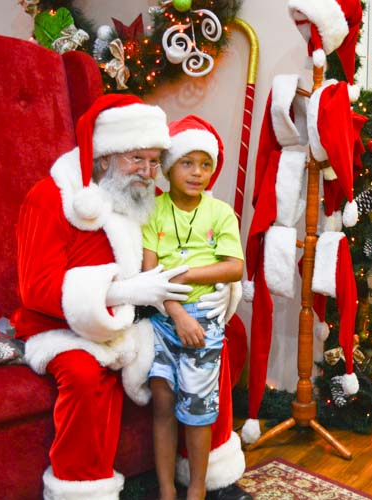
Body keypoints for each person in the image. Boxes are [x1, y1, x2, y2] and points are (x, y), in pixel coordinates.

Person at [12, 95, 240, 500]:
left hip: (140, 320)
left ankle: (212, 476)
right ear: (105, 158)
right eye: (138, 159)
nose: (149, 172)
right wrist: (121, 292)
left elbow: (186, 257)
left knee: (212, 335)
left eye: (155, 161)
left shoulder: (143, 198)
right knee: (85, 373)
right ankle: (82, 490)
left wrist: (227, 288)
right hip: (67, 329)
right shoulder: (51, 198)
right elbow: (37, 289)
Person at [142, 115, 246, 500]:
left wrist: (187, 276)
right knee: (163, 405)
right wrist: (176, 311)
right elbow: (149, 273)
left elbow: (234, 266)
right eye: (188, 163)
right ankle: (167, 490)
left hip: (205, 321)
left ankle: (196, 491)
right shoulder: (153, 211)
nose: (197, 173)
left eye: (206, 165)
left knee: (199, 411)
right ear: (170, 167)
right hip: (163, 319)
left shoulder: (219, 213)